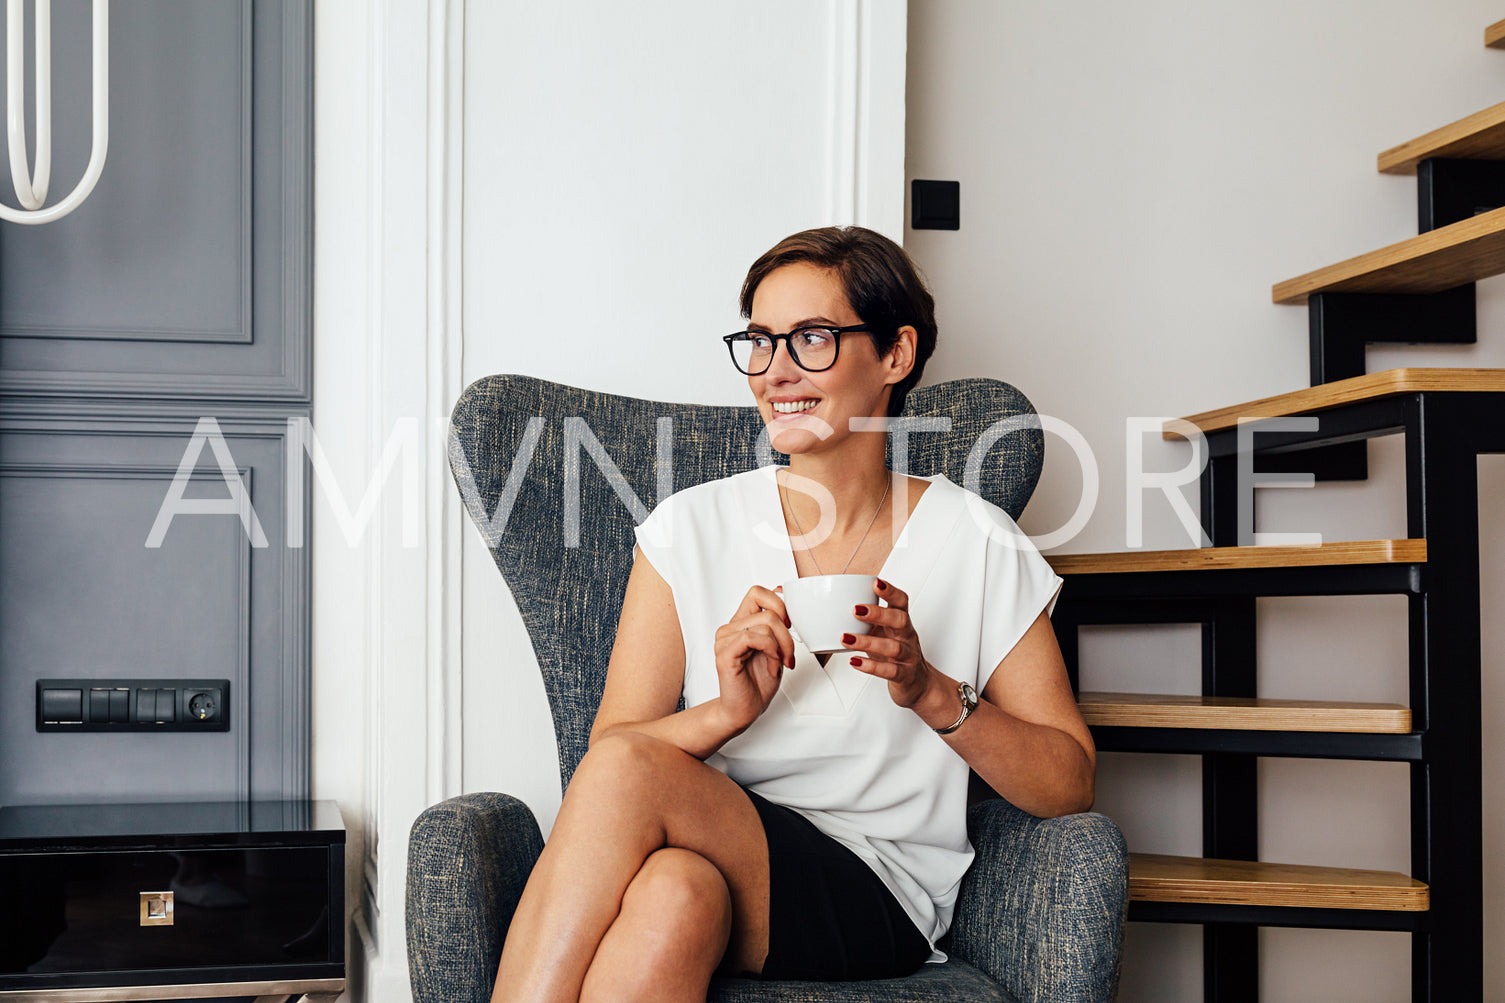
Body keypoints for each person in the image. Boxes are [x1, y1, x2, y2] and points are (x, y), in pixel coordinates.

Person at [490, 226, 1095, 1003]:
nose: (774, 372)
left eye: (810, 338)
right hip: (718, 851)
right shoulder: (688, 527)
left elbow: (1069, 783)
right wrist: (725, 712)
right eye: (759, 341)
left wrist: (930, 690)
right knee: (675, 892)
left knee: (637, 794)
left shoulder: (974, 538)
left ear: (895, 355)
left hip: (879, 887)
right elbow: (610, 754)